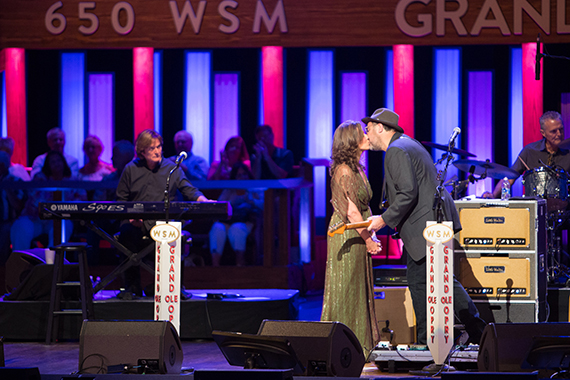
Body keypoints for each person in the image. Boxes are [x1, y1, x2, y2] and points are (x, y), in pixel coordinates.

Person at [363, 108, 486, 347]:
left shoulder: (396, 150)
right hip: (431, 223)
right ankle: (474, 333)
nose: (366, 135)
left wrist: (383, 220)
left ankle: (429, 345)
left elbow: (408, 193)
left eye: (368, 129)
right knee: (438, 280)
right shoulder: (408, 144)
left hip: (426, 226)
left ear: (380, 127)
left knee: (425, 284)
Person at [116, 129, 210, 298]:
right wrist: (130, 217)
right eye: (152, 148)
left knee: (174, 233)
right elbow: (121, 200)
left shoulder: (171, 168)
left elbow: (189, 189)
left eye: (159, 147)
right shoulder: (130, 169)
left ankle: (173, 286)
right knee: (126, 234)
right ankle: (131, 287)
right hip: (135, 224)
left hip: (162, 223)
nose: (157, 151)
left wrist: (203, 200)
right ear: (142, 151)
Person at [320, 121, 382, 357]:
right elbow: (352, 211)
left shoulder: (358, 169)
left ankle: (357, 346)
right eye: (361, 134)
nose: (366, 136)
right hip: (347, 234)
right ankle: (340, 348)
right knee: (345, 290)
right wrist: (368, 239)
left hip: (359, 232)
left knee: (358, 290)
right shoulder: (344, 171)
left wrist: (370, 233)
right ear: (350, 142)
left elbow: (363, 210)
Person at [11, 150, 86, 251]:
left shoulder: (74, 181)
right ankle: (21, 262)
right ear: (47, 165)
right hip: (35, 218)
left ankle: (51, 263)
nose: (56, 164)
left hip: (59, 219)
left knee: (62, 227)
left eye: (59, 160)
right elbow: (31, 200)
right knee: (20, 227)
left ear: (64, 162)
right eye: (53, 162)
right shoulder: (40, 180)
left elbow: (82, 199)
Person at [486, 111, 570, 198]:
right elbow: (510, 177)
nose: (559, 134)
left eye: (561, 129)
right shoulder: (530, 150)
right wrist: (493, 195)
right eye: (553, 131)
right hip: (534, 207)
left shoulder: (568, 151)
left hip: (564, 208)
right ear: (543, 133)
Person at [209, 162, 263, 266]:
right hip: (227, 221)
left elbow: (264, 205)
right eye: (239, 175)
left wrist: (252, 201)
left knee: (237, 229)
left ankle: (240, 263)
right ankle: (215, 267)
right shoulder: (229, 190)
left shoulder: (253, 189)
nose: (242, 177)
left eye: (244, 174)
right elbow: (219, 206)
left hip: (246, 221)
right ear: (234, 177)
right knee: (217, 228)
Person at [0, 151, 27, 264]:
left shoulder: (15, 181)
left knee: (6, 230)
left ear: (3, 165)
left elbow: (18, 206)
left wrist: (7, 189)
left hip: (9, 221)